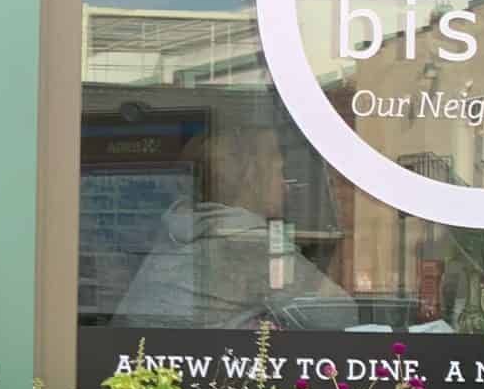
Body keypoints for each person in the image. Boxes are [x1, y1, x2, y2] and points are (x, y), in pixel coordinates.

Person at [113, 124, 355, 330]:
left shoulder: (183, 225)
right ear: (252, 177)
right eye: (280, 171)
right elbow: (338, 315)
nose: (286, 185)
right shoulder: (247, 240)